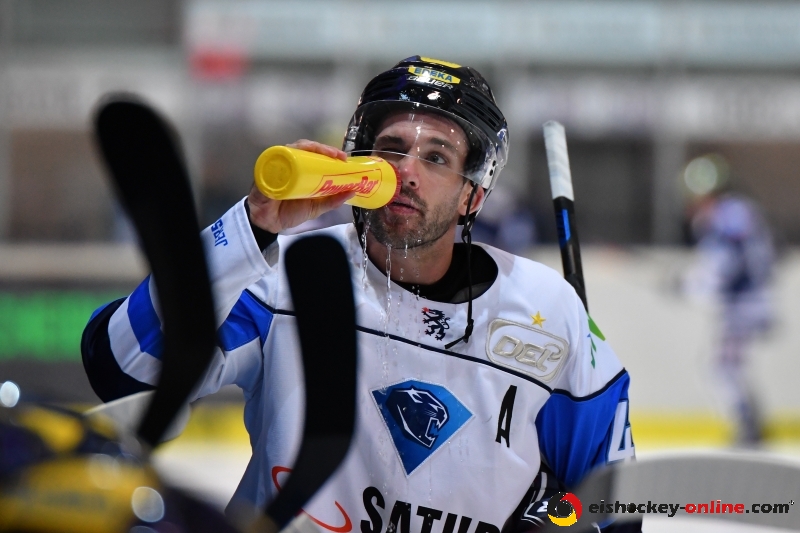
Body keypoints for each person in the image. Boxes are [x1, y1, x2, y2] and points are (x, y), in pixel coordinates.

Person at [82, 57, 637, 532]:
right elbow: (122, 368)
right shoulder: (290, 275)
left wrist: (553, 520)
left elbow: (613, 501)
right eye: (391, 148)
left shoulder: (547, 310)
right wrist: (249, 228)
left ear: (473, 195)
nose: (406, 172)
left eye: (436, 157)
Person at [682, 155, 775, 446]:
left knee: (722, 367)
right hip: (747, 299)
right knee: (726, 365)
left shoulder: (727, 214)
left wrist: (693, 284)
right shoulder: (738, 210)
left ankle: (749, 426)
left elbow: (725, 262)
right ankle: (751, 422)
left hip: (743, 301)